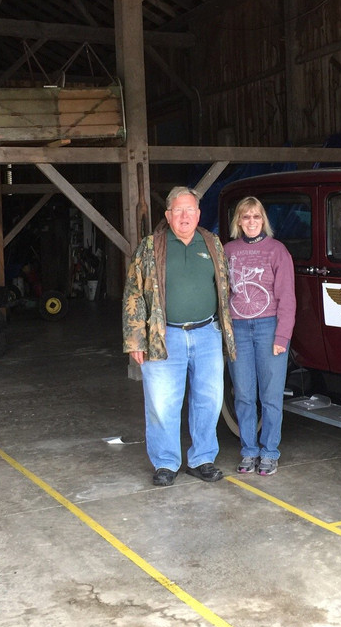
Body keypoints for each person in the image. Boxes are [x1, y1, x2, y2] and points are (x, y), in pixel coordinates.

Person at [122, 186, 237, 486]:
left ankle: (202, 459)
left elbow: (225, 287)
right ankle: (165, 462)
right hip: (164, 336)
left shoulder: (212, 242)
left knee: (209, 400)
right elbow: (134, 293)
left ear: (198, 214)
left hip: (207, 333)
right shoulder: (151, 246)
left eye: (190, 210)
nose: (184, 216)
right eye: (178, 210)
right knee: (162, 403)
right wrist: (135, 339)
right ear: (168, 214)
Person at [223, 197, 296, 476]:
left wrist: (282, 336)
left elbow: (287, 297)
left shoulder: (277, 251)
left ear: (263, 220)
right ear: (238, 222)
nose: (251, 222)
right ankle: (249, 450)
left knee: (270, 395)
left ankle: (269, 451)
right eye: (246, 217)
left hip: (269, 327)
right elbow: (222, 292)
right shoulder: (228, 250)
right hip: (238, 328)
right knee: (243, 394)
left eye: (256, 216)